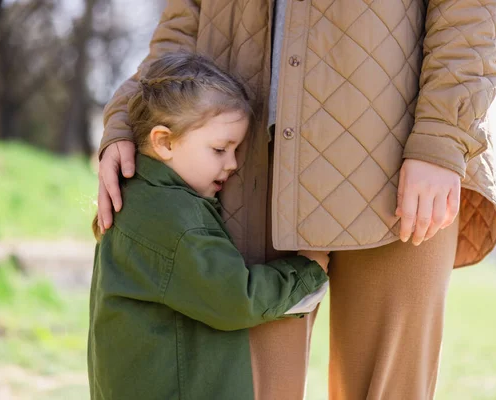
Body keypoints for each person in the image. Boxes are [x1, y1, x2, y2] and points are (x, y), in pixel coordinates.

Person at [96, 1, 496, 399]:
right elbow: (179, 24)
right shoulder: (216, 168)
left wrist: (443, 133)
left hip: (398, 158)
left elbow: (471, 8)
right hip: (250, 165)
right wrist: (127, 120)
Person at [87, 52, 330, 400]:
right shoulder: (175, 221)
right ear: (164, 142)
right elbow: (234, 298)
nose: (232, 164)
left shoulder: (142, 197)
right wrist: (307, 271)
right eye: (219, 149)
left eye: (236, 150)